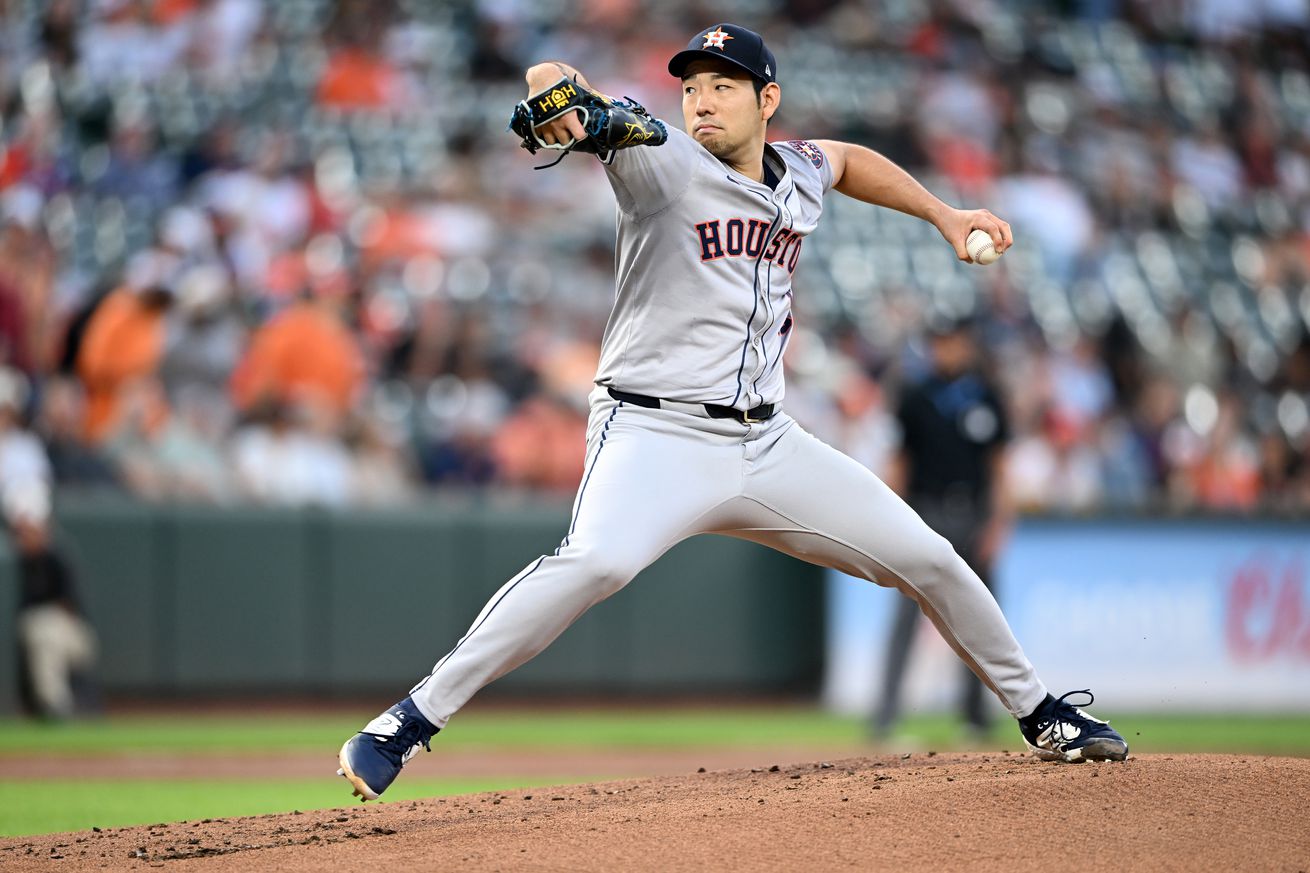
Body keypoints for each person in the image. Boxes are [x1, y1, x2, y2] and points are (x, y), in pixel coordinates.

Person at [338, 23, 1128, 801]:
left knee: (931, 557)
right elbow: (560, 82)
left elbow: (849, 161)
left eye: (723, 85)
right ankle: (404, 722)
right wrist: (569, 107)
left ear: (768, 99)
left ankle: (1040, 711)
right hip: (654, 431)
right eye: (689, 87)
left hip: (769, 443)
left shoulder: (802, 171)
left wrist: (946, 216)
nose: (701, 101)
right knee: (598, 562)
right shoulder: (663, 163)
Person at [873, 315, 1011, 741]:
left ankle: (975, 719)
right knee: (904, 619)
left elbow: (1001, 467)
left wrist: (1000, 524)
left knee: (977, 617)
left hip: (973, 513)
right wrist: (889, 517)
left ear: (967, 345)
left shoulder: (987, 395)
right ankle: (886, 719)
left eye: (953, 342)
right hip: (924, 513)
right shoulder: (915, 396)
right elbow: (899, 461)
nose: (946, 349)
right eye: (940, 342)